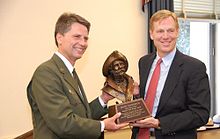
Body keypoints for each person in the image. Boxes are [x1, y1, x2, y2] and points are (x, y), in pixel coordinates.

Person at [27, 12, 129, 139]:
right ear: (59, 38)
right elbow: (63, 123)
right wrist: (102, 125)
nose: (83, 43)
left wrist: (104, 99)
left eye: (86, 38)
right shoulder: (46, 73)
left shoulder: (69, 72)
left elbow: (82, 116)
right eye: (77, 36)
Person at [130, 10, 210, 139]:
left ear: (177, 32)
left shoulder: (194, 67)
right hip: (140, 136)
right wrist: (137, 95)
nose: (166, 36)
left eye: (170, 30)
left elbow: (200, 114)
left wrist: (159, 123)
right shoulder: (144, 62)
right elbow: (151, 101)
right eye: (160, 31)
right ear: (151, 34)